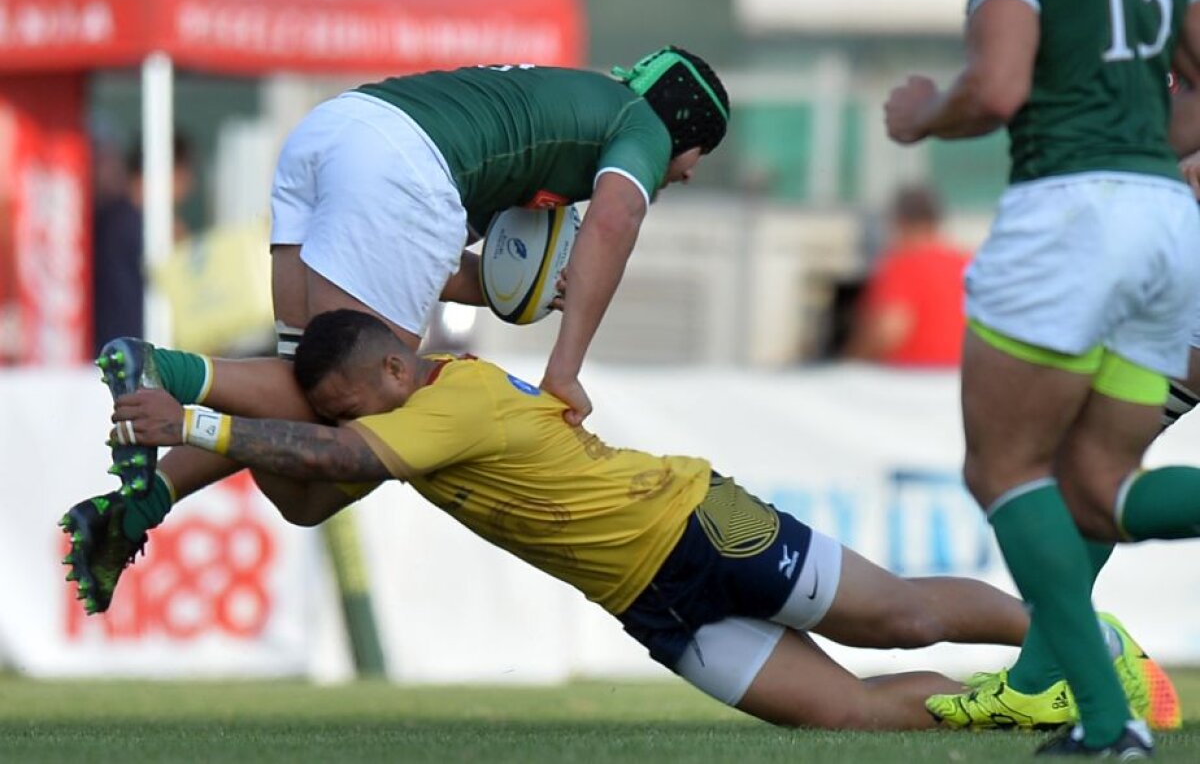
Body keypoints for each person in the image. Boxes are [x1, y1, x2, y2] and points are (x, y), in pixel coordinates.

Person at [90, 309, 1175, 731]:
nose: (342, 421)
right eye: (335, 411)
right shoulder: (395, 414)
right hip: (651, 598)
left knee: (889, 613)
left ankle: (1088, 642)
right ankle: (1032, 706)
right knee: (844, 714)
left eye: (347, 401)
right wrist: (166, 471)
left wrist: (190, 411)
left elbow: (319, 453)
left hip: (699, 520)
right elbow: (309, 481)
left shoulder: (445, 396)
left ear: (389, 364)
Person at [73, 47, 732, 596]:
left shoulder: (559, 109)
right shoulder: (644, 123)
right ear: (687, 126)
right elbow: (617, 221)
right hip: (401, 165)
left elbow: (418, 260)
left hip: (336, 132)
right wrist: (565, 369)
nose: (690, 174)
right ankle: (162, 371)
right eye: (699, 154)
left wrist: (507, 290)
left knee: (313, 402)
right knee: (376, 405)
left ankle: (145, 501)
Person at [885, 0, 1200, 756]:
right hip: (1164, 220)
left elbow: (996, 87)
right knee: (1096, 488)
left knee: (1004, 469)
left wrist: (923, 114)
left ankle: (1093, 714)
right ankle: (1082, 708)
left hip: (1072, 214)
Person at [92, 134, 194, 356]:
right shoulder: (128, 226)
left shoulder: (119, 219)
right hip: (122, 358)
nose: (188, 187)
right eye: (184, 176)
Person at [844, 186, 969, 366]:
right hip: (958, 377)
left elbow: (889, 330)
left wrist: (852, 359)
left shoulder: (903, 264)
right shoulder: (968, 263)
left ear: (899, 221)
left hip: (910, 380)